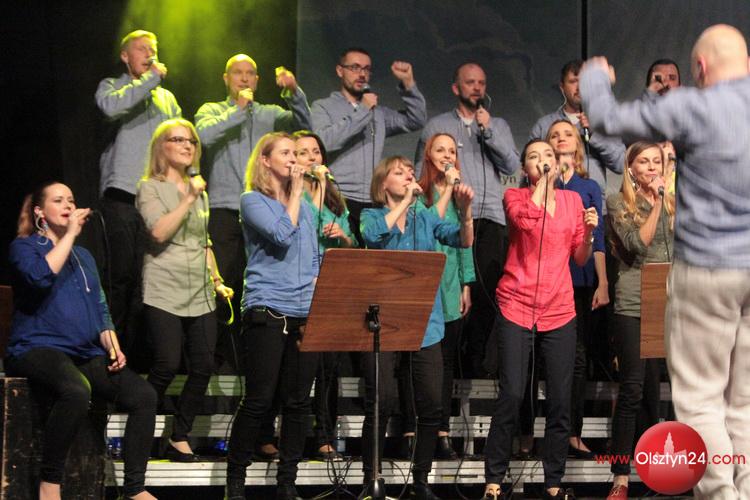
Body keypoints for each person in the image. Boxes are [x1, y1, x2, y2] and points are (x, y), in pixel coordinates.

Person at [580, 24, 750, 498]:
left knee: (700, 401)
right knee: (746, 404)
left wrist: (595, 78)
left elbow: (606, 119)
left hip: (708, 269)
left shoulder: (695, 105)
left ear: (699, 68)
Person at [6, 182, 157, 500]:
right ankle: (50, 482)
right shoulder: (25, 247)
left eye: (71, 200)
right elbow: (39, 277)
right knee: (76, 390)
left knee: (143, 395)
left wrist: (112, 344)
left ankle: (134, 488)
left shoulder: (84, 257)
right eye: (58, 200)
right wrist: (70, 235)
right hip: (37, 347)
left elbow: (99, 307)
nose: (68, 205)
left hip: (83, 351)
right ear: (40, 212)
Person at [483, 140, 598, 500]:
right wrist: (544, 186)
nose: (544, 160)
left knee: (561, 400)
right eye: (534, 157)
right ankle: (493, 481)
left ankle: (553, 483)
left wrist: (589, 233)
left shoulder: (573, 201)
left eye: (549, 155)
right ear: (525, 169)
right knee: (512, 393)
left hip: (559, 307)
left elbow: (580, 257)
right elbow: (525, 221)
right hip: (516, 304)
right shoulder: (515, 196)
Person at [360, 155, 474, 499]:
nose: (409, 176)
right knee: (381, 401)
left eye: (411, 171)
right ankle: (371, 479)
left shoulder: (423, 217)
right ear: (383, 184)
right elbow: (372, 236)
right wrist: (407, 202)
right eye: (399, 173)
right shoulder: (371, 215)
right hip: (383, 322)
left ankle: (420, 480)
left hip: (425, 320)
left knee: (431, 404)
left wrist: (466, 213)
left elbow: (461, 239)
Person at [195, 54, 311, 374]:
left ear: (257, 81)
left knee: (257, 282)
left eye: (250, 74)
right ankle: (216, 357)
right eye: (238, 73)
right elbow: (203, 136)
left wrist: (293, 93)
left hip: (267, 209)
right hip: (226, 207)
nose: (244, 79)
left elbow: (305, 126)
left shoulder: (270, 114)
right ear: (226, 78)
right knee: (223, 283)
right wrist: (238, 110)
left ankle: (250, 356)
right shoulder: (212, 110)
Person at [224, 132, 320, 500]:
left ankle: (287, 482)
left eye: (296, 153)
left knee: (298, 402)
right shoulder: (252, 200)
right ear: (265, 160)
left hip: (304, 312)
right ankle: (236, 481)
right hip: (268, 308)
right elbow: (281, 235)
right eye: (286, 153)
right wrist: (295, 193)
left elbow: (312, 254)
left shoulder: (306, 206)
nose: (294, 159)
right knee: (259, 399)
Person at [136, 119, 233, 461]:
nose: (187, 145)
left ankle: (179, 435)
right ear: (161, 147)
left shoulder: (199, 190)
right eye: (177, 140)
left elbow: (204, 242)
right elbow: (159, 232)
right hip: (164, 284)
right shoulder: (150, 187)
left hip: (199, 288)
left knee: (204, 365)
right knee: (166, 363)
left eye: (191, 140)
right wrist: (188, 198)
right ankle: (140, 425)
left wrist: (217, 280)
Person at [415, 62, 519, 378]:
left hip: (489, 215)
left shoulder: (497, 124)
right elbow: (422, 170)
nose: (477, 88)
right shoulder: (438, 125)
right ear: (456, 88)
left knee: (484, 291)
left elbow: (511, 164)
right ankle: (448, 357)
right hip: (449, 214)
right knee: (450, 285)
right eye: (470, 82)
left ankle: (474, 360)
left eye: (481, 83)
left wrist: (488, 130)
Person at [95, 30, 181, 366]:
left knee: (150, 284)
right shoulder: (111, 87)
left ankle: (140, 359)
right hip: (122, 194)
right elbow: (111, 108)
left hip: (157, 198)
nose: (150, 54)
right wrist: (150, 80)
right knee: (121, 278)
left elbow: (178, 143)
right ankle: (109, 354)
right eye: (142, 49)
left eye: (154, 49)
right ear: (125, 56)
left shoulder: (166, 99)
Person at [603, 141, 674, 499]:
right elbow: (637, 245)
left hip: (667, 302)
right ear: (631, 168)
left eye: (656, 161)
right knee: (631, 388)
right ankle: (620, 477)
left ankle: (655, 475)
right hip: (632, 303)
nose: (651, 167)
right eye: (643, 162)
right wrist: (658, 202)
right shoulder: (619, 203)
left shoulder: (674, 203)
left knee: (653, 392)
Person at [311, 47, 427, 246]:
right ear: (340, 70)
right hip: (338, 197)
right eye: (355, 68)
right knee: (342, 256)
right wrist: (363, 110)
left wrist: (408, 84)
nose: (362, 74)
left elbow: (416, 119)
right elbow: (325, 142)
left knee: (370, 259)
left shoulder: (378, 113)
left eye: (366, 69)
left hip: (372, 201)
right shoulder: (323, 107)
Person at [546, 119, 609, 458]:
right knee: (550, 356)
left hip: (581, 279)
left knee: (579, 356)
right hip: (548, 280)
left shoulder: (589, 186)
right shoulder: (541, 184)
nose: (561, 139)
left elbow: (597, 237)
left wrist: (603, 281)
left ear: (577, 143)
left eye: (567, 134)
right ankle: (542, 433)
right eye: (554, 135)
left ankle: (572, 432)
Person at [293, 130, 355, 460]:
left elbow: (353, 245)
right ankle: (285, 434)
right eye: (303, 152)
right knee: (300, 367)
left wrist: (343, 236)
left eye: (315, 151)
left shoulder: (333, 198)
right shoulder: (292, 196)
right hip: (301, 289)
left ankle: (325, 434)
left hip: (332, 290)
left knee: (329, 368)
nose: (312, 157)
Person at [413, 133, 475, 459]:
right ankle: (414, 428)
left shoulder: (458, 197)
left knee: (447, 359)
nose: (447, 155)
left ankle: (442, 430)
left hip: (450, 281)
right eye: (441, 150)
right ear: (428, 155)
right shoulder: (419, 192)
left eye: (452, 150)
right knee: (421, 357)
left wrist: (466, 284)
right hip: (423, 281)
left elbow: (465, 242)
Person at [529, 60, 624, 201]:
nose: (580, 87)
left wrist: (595, 133)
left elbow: (620, 164)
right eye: (573, 81)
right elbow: (529, 168)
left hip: (593, 203)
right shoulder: (544, 125)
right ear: (562, 87)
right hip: (552, 202)